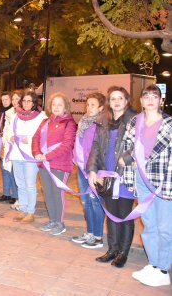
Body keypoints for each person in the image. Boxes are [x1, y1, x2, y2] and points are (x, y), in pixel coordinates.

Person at [120, 85, 171, 287]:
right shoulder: (136, 121)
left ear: (160, 100)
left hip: (163, 181)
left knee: (165, 226)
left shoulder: (169, 124)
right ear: (141, 101)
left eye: (154, 96)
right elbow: (127, 146)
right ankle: (154, 263)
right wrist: (127, 159)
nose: (150, 99)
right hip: (141, 179)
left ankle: (164, 269)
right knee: (149, 224)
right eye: (146, 96)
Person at [87, 86, 137, 268]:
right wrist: (92, 170)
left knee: (124, 215)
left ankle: (123, 252)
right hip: (106, 175)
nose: (116, 102)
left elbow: (141, 144)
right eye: (113, 98)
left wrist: (127, 157)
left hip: (125, 176)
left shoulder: (135, 120)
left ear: (126, 100)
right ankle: (112, 249)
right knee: (111, 214)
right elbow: (96, 147)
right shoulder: (103, 120)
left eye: (120, 98)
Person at [32, 92, 77, 236]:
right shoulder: (45, 122)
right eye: (54, 104)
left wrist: (47, 156)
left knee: (58, 194)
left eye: (60, 104)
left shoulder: (69, 123)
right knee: (48, 194)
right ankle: (52, 219)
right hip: (44, 164)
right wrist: (37, 153)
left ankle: (60, 223)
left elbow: (67, 144)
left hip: (60, 165)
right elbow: (35, 138)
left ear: (65, 107)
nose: (56, 107)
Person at [71, 92, 106, 249]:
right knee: (85, 202)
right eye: (88, 104)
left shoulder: (102, 123)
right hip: (81, 167)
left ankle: (98, 237)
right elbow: (79, 144)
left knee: (95, 201)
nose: (89, 107)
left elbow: (100, 149)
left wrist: (97, 171)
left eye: (93, 105)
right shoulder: (84, 122)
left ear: (101, 108)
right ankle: (90, 233)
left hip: (95, 169)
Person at [5, 90, 47, 223]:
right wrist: (10, 137)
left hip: (30, 156)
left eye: (29, 101)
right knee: (20, 184)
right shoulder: (16, 117)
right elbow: (8, 131)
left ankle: (30, 211)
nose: (26, 103)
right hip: (17, 155)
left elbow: (42, 136)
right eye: (24, 101)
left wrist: (27, 139)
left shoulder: (41, 117)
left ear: (34, 102)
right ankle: (22, 208)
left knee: (30, 184)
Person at [2, 90, 23, 208]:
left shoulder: (26, 113)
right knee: (11, 172)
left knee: (19, 174)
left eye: (17, 99)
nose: (15, 101)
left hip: (21, 148)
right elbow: (6, 130)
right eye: (13, 99)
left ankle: (19, 198)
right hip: (10, 146)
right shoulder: (9, 112)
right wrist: (5, 143)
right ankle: (17, 197)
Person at [0, 91, 16, 202]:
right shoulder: (2, 112)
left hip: (9, 146)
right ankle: (6, 193)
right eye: (2, 100)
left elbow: (11, 130)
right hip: (1, 145)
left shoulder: (13, 113)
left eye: (6, 99)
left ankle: (15, 195)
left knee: (11, 171)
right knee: (4, 170)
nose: (4, 102)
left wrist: (3, 134)